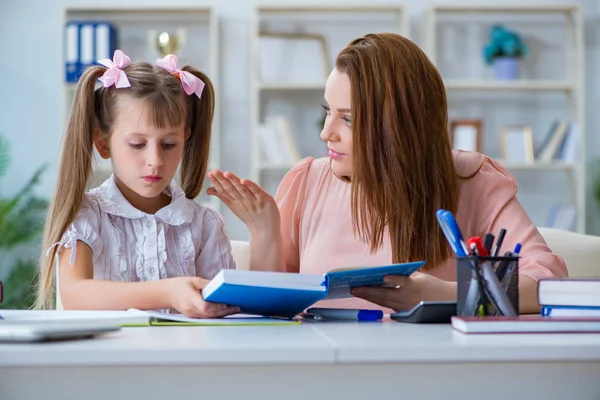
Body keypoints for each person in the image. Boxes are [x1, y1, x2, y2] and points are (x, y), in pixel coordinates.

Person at [206, 33, 567, 315]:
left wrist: (448, 294)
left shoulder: (472, 179)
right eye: (327, 111)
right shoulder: (306, 182)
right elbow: (268, 317)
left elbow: (551, 282)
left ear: (398, 127)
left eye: (347, 118)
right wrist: (264, 229)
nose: (326, 132)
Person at [35, 50, 239, 318]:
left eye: (169, 144)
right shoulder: (86, 214)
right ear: (103, 143)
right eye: (137, 144)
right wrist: (167, 292)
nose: (154, 160)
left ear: (186, 140)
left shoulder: (205, 224)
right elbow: (75, 294)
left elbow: (229, 311)